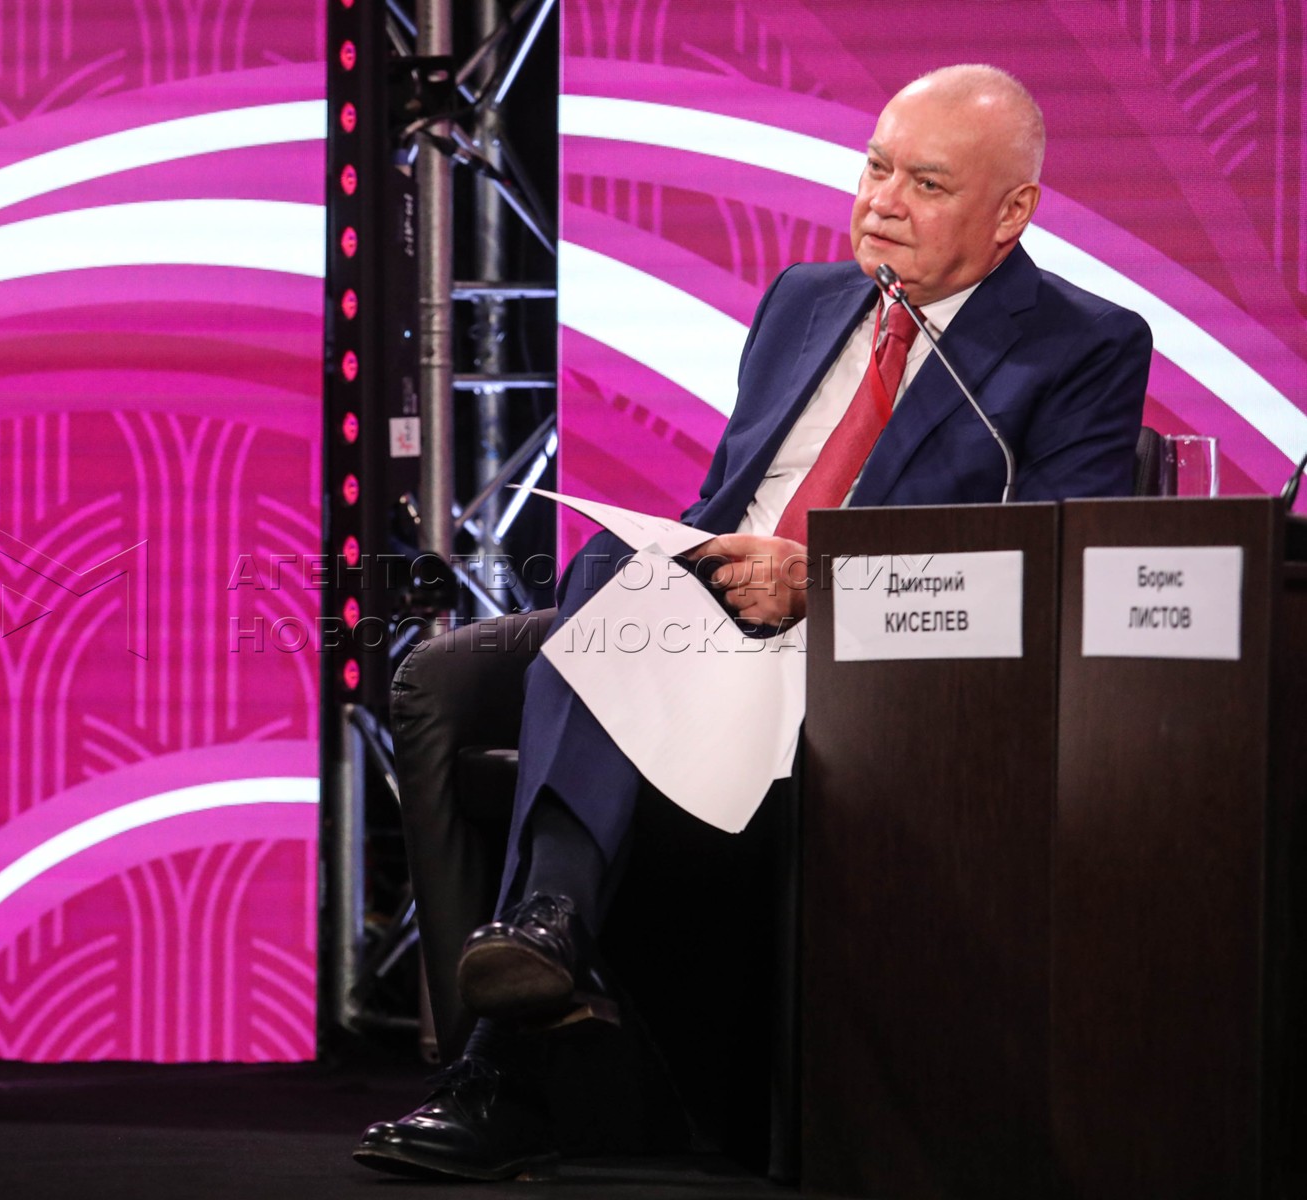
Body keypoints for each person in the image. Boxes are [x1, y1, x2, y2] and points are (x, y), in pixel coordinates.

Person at [353, 64, 1152, 1181]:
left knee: (608, 617)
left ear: (1011, 210)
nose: (881, 203)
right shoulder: (803, 301)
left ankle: (503, 1067)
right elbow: (723, 501)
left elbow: (1049, 566)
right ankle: (543, 935)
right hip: (711, 617)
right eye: (875, 168)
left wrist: (823, 581)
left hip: (872, 648)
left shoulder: (1082, 343)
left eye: (925, 184)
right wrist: (703, 563)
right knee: (588, 581)